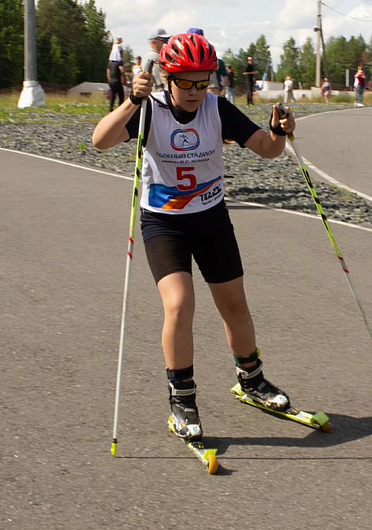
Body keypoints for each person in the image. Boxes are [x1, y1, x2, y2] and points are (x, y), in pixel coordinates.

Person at [91, 33, 296, 444]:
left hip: (211, 218)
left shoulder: (217, 108)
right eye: (185, 81)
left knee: (234, 304)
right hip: (164, 222)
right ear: (168, 77)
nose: (194, 91)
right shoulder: (148, 109)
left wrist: (279, 131)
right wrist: (132, 99)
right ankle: (182, 398)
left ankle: (251, 381)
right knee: (180, 304)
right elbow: (100, 141)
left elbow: (266, 149)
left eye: (202, 81)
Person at [144, 28, 169, 93]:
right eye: (163, 40)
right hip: (156, 96)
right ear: (153, 42)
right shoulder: (153, 57)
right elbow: (159, 83)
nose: (166, 42)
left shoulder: (155, 56)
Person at [106, 47, 125, 112]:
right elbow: (122, 70)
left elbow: (108, 71)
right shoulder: (119, 62)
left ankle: (110, 109)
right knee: (121, 95)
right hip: (117, 80)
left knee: (112, 95)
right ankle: (120, 109)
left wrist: (109, 79)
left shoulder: (110, 62)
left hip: (111, 81)